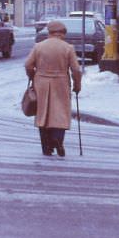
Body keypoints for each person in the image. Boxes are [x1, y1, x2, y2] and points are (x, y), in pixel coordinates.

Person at [24, 20, 82, 156]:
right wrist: (77, 85)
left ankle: (46, 147)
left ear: (49, 32)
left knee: (43, 114)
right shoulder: (68, 48)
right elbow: (76, 70)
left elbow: (28, 64)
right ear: (63, 33)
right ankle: (57, 139)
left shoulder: (39, 46)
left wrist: (32, 76)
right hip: (61, 82)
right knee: (60, 113)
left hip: (41, 82)